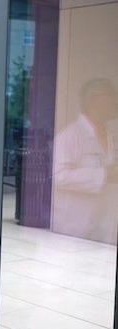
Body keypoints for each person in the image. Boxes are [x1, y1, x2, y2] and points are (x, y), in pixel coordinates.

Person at [52, 78, 118, 244]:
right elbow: (59, 176)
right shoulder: (70, 136)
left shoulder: (110, 136)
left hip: (105, 227)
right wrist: (104, 174)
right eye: (112, 95)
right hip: (76, 230)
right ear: (95, 99)